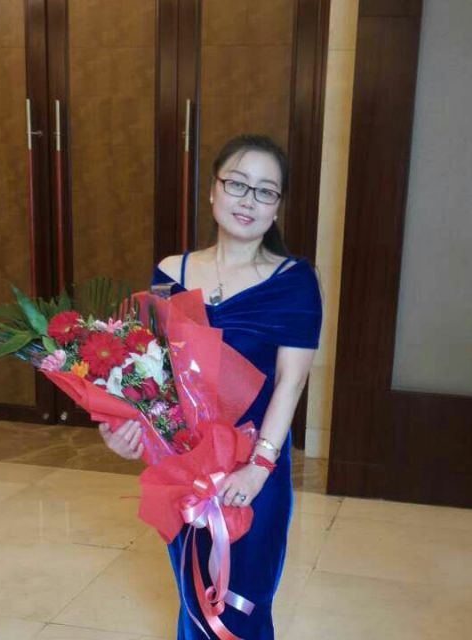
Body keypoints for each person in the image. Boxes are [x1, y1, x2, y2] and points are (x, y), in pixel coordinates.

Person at [99, 134, 322, 639]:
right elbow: (149, 374)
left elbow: (291, 382)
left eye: (266, 191)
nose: (249, 200)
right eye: (237, 184)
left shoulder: (295, 282)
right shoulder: (168, 274)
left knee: (242, 602)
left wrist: (259, 469)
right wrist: (122, 428)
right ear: (213, 189)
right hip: (184, 464)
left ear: (278, 206)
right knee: (194, 596)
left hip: (253, 466)